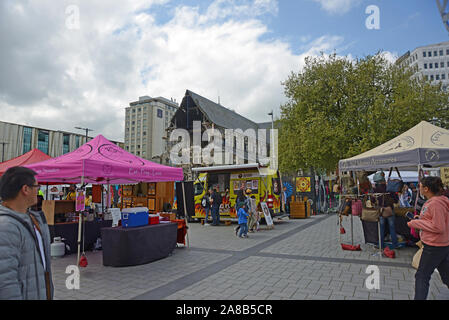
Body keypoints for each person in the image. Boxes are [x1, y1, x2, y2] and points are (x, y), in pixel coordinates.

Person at [0, 166, 54, 300]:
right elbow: (5, 281)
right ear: (25, 189)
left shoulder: (32, 218)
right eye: (37, 186)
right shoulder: (6, 226)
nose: (38, 190)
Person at [407, 176, 449, 300]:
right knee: (446, 275)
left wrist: (416, 223)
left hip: (434, 246)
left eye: (420, 186)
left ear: (426, 189)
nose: (418, 188)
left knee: (422, 276)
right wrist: (421, 219)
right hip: (441, 245)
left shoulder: (435, 203)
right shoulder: (439, 201)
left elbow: (438, 226)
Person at [373, 179, 399, 250]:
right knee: (392, 228)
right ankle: (395, 244)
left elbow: (372, 200)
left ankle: (380, 244)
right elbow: (396, 200)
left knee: (381, 228)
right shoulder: (390, 188)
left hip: (381, 210)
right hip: (390, 209)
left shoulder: (376, 189)